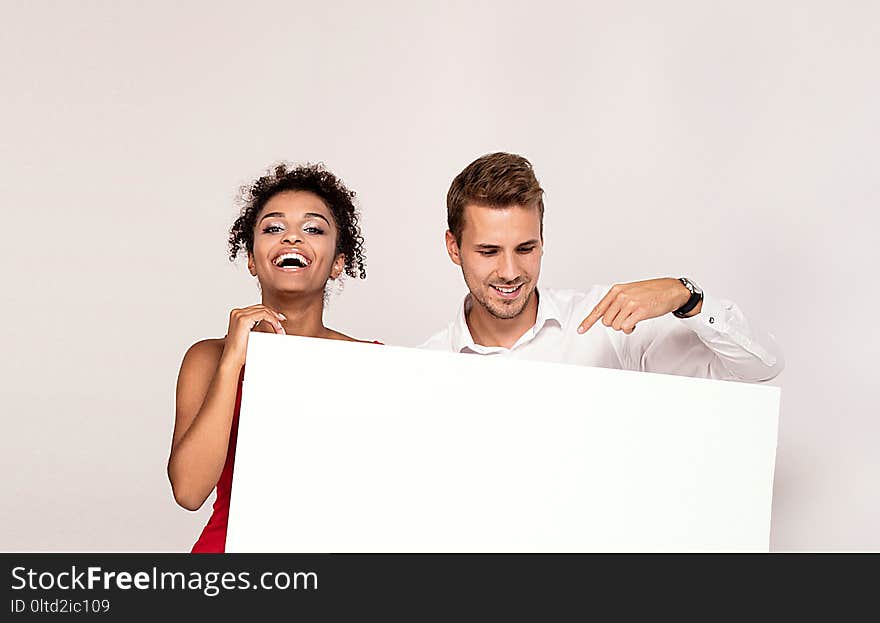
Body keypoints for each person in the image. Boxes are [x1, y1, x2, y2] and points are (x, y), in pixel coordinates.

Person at [421, 152, 784, 382]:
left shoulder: (607, 327)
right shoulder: (424, 367)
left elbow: (760, 368)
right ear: (454, 247)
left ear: (542, 240)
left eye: (526, 247)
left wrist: (688, 297)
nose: (511, 270)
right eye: (489, 251)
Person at [167, 162, 372, 553]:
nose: (292, 238)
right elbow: (189, 491)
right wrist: (233, 362)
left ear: (338, 262)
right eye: (274, 228)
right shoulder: (208, 358)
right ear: (251, 258)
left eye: (313, 229)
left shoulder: (368, 363)